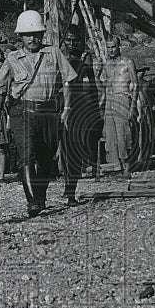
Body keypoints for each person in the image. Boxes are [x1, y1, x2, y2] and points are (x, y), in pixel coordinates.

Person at [0, 9, 77, 217]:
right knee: (27, 157)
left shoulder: (54, 52)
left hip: (49, 111)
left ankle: (40, 197)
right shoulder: (12, 58)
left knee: (47, 158)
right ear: (20, 36)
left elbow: (68, 80)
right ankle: (32, 202)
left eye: (37, 34)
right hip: (23, 112)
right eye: (28, 35)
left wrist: (66, 109)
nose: (33, 38)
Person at [58, 29, 100, 203]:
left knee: (73, 150)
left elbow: (91, 88)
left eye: (75, 40)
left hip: (77, 109)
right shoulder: (57, 58)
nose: (71, 44)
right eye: (68, 40)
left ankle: (70, 190)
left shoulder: (85, 61)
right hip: (56, 107)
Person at [98, 35, 138, 178]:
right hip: (110, 100)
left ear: (118, 47)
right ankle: (116, 167)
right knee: (111, 135)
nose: (111, 50)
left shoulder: (127, 62)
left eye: (113, 47)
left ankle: (127, 166)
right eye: (108, 47)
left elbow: (135, 84)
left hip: (122, 98)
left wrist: (133, 106)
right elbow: (106, 85)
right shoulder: (107, 64)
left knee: (124, 134)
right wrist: (101, 104)